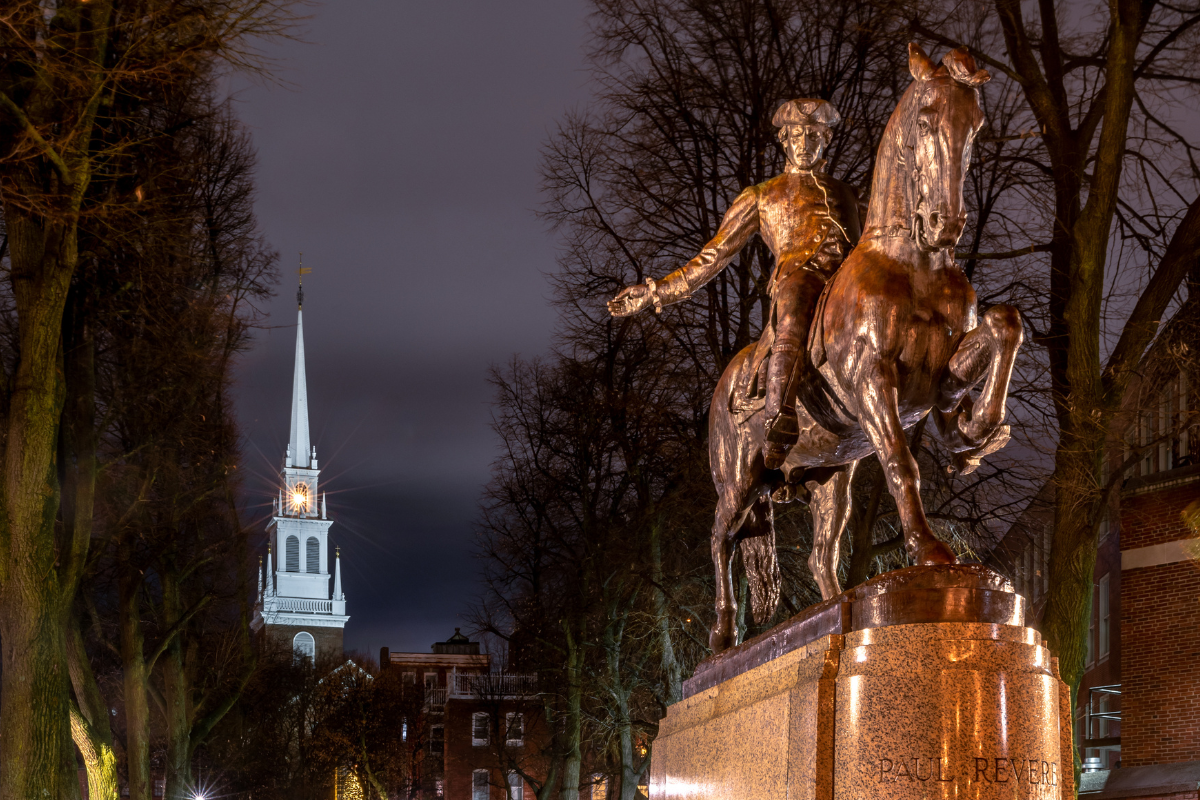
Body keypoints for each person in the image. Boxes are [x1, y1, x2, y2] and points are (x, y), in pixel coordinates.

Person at [608, 98, 862, 468]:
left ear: (825, 139)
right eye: (795, 136)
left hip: (851, 284)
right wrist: (654, 292)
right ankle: (779, 414)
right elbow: (714, 256)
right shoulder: (762, 195)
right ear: (784, 142)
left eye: (812, 135)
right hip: (800, 278)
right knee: (791, 315)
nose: (804, 144)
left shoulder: (850, 194)